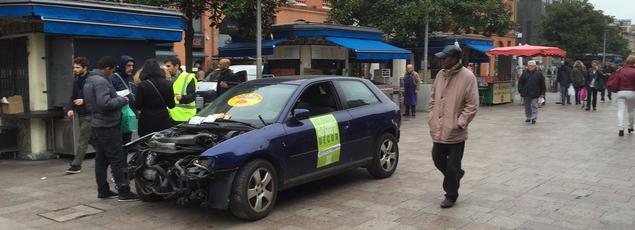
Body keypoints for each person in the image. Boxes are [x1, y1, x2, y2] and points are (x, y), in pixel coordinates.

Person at [428, 45, 479, 209]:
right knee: (437, 158)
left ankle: (451, 195)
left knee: (452, 165)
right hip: (439, 127)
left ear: (456, 58)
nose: (442, 60)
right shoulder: (440, 75)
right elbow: (433, 98)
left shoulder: (468, 77)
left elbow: (472, 105)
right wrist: (432, 117)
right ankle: (456, 175)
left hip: (456, 131)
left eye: (446, 57)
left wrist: (460, 122)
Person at [83, 56, 139, 201]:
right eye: (113, 70)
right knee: (117, 158)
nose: (113, 73)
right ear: (107, 68)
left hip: (98, 123)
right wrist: (122, 100)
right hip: (108, 124)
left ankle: (103, 190)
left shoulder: (90, 80)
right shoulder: (101, 81)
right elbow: (104, 103)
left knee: (101, 159)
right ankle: (123, 190)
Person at [64, 57, 93, 174]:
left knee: (83, 139)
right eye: (74, 67)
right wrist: (70, 108)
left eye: (77, 67)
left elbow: (97, 96)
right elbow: (73, 96)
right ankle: (109, 158)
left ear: (85, 68)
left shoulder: (92, 79)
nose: (75, 69)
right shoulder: (76, 80)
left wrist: (84, 101)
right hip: (81, 114)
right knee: (93, 140)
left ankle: (76, 165)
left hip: (90, 114)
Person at [135, 59, 176, 136]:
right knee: (163, 143)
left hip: (147, 120)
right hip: (163, 119)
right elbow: (171, 105)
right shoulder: (168, 84)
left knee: (146, 144)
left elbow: (138, 106)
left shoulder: (142, 85)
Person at [110, 55, 136, 144]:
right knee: (118, 143)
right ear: (122, 65)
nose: (131, 68)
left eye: (132, 66)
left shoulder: (130, 78)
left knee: (127, 142)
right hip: (118, 116)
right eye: (128, 65)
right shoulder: (113, 78)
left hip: (129, 115)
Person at [164, 57, 197, 124]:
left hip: (185, 117)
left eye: (168, 66)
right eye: (166, 66)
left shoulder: (188, 77)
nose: (166, 68)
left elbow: (192, 96)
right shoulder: (166, 78)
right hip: (170, 116)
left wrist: (182, 98)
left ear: (176, 66)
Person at [610, 55, 635, 136]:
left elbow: (615, 80)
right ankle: (630, 127)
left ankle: (621, 129)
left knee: (620, 111)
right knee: (631, 110)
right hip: (632, 93)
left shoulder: (620, 70)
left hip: (621, 92)